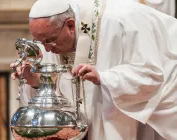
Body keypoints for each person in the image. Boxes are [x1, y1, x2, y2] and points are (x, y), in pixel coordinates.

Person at [10, 0, 177, 139]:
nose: (47, 49)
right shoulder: (53, 31)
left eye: (49, 41)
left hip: (157, 106)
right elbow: (59, 85)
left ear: (70, 25)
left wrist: (104, 79)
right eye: (40, 42)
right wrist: (33, 80)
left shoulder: (122, 20)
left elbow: (151, 75)